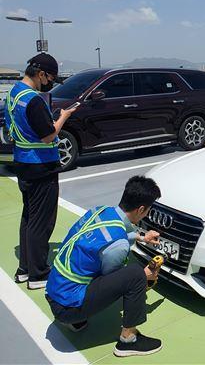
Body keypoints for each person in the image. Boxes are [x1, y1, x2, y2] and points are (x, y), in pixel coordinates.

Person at [45, 176, 163, 357]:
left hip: (54, 292)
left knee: (92, 262)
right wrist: (145, 275)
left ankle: (77, 320)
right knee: (134, 274)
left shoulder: (101, 211)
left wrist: (141, 237)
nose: (147, 214)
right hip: (67, 308)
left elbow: (110, 236)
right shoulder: (120, 245)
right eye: (148, 210)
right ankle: (128, 340)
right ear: (141, 209)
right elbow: (112, 277)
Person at [4, 53, 77, 289]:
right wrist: (63, 117)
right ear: (41, 73)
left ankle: (24, 269)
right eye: (50, 79)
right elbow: (48, 136)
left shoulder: (14, 94)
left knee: (29, 218)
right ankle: (38, 275)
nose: (49, 84)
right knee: (42, 222)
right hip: (41, 167)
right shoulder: (34, 101)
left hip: (23, 165)